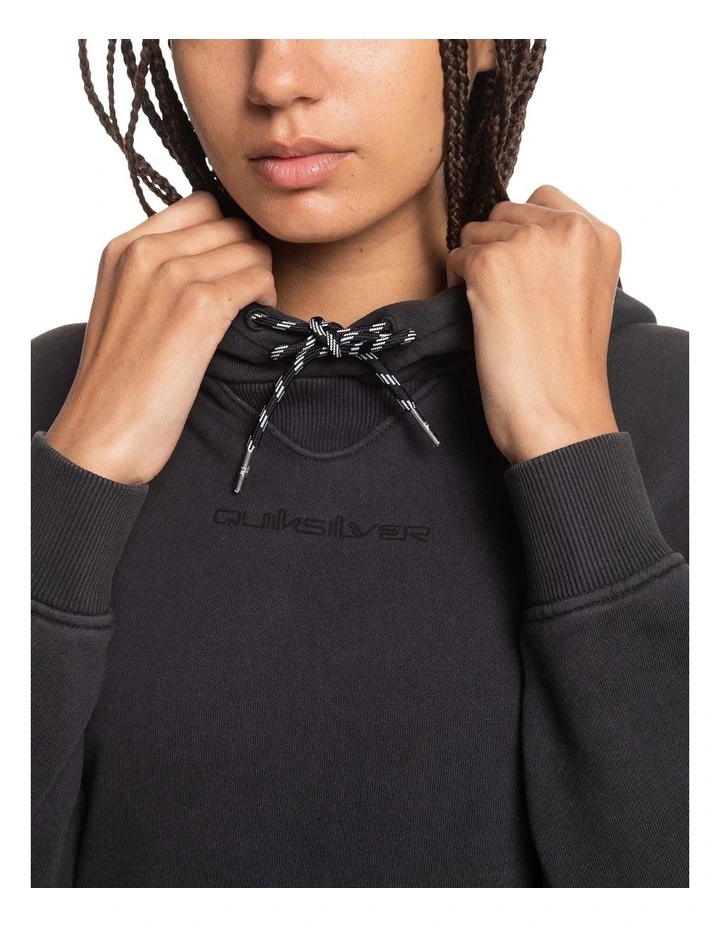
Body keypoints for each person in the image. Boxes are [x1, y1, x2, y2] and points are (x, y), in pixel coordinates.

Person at [31, 39, 688, 888]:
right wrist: (81, 475)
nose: (275, 80)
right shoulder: (51, 402)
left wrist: (569, 447)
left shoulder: (677, 410)